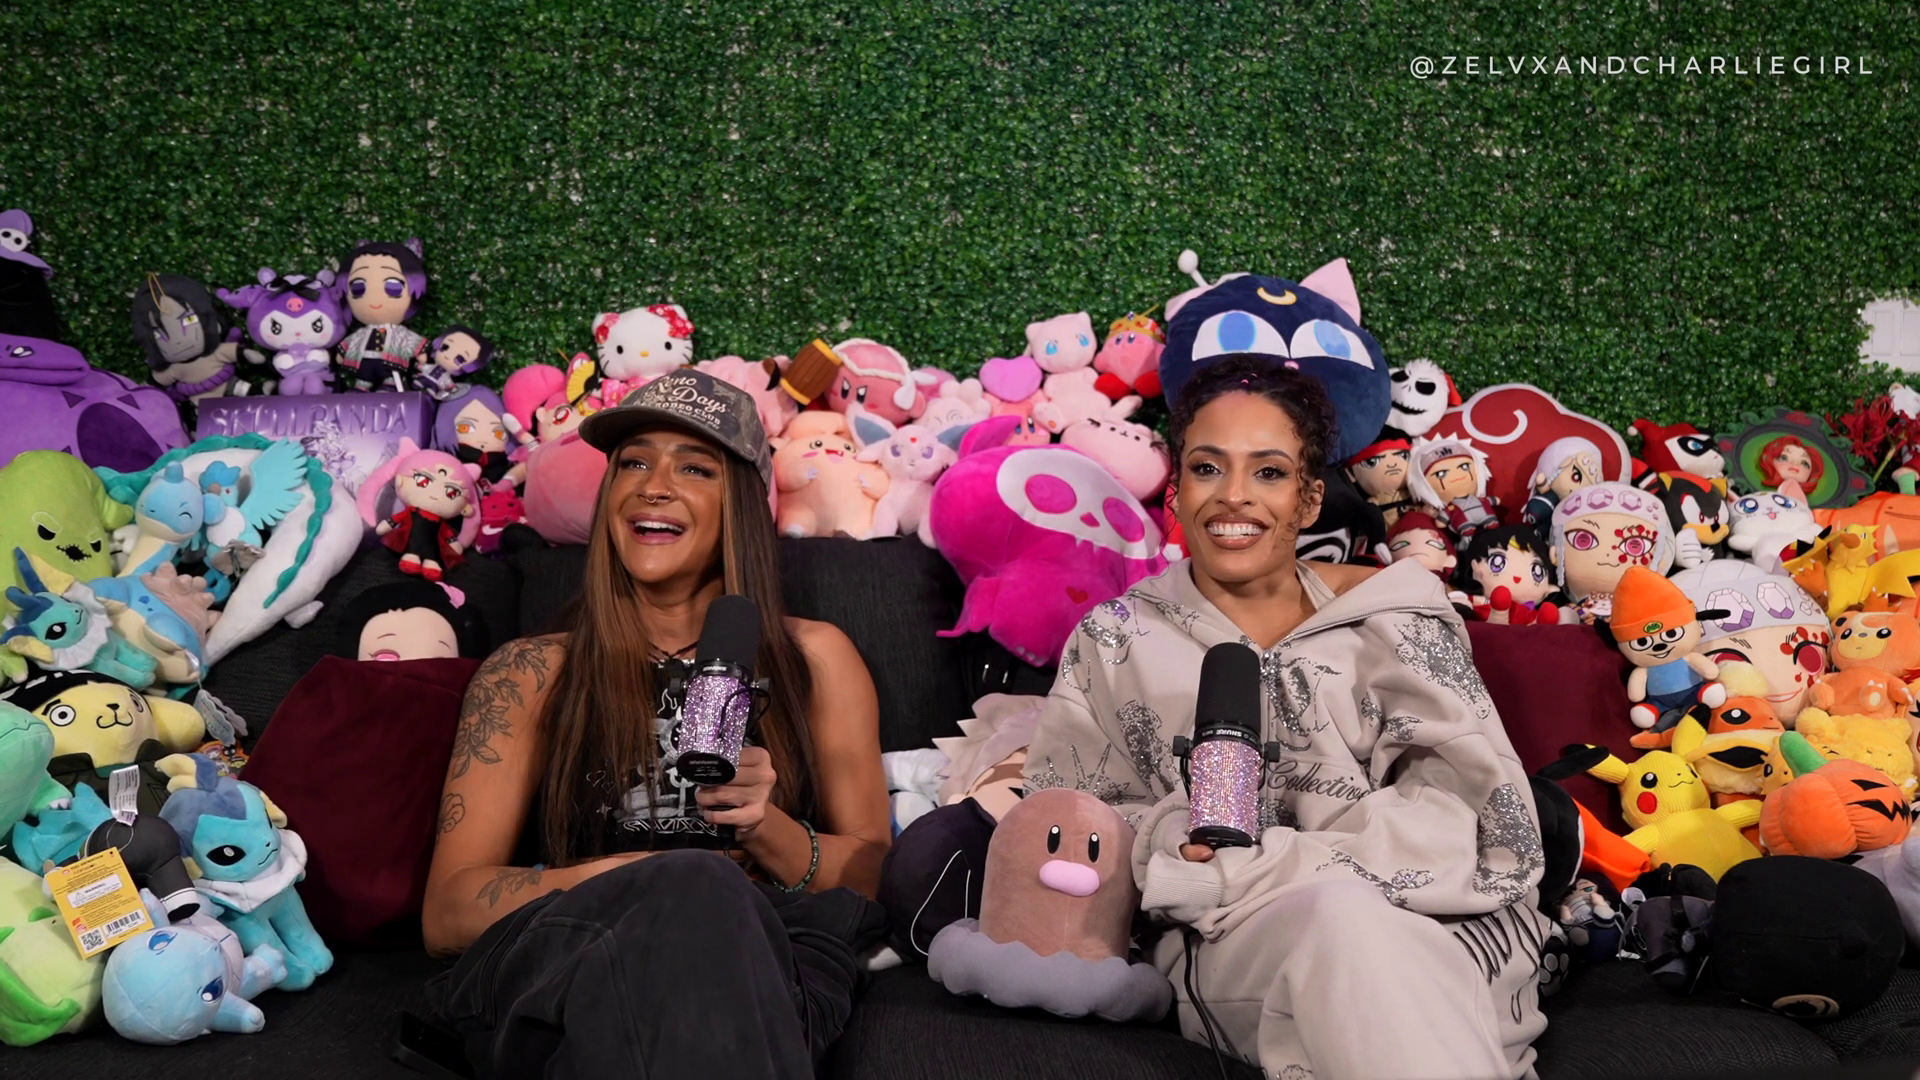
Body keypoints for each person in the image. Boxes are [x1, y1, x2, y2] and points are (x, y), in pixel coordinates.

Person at [1024, 356, 1550, 1080]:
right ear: (1176, 490)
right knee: (1342, 925)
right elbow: (1067, 826)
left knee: (1356, 935)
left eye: (1268, 472)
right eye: (1207, 468)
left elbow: (1487, 826)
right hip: (1234, 947)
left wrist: (1264, 864)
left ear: (1308, 500)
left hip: (1438, 926)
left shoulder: (1398, 621)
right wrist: (1167, 837)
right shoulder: (1115, 640)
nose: (1233, 495)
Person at [422, 370, 892, 1078]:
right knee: (693, 895)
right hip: (575, 951)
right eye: (634, 464)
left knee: (707, 928)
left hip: (766, 960)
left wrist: (764, 826)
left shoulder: (818, 659)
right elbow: (447, 913)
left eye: (694, 468)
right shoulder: (528, 672)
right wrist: (639, 884)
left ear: (741, 502)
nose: (654, 486)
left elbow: (876, 880)